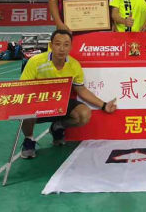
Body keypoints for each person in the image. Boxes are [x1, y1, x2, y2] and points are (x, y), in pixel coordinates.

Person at [19, 29, 118, 159]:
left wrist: (104, 105)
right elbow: (24, 89)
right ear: (51, 45)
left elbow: (81, 90)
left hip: (61, 104)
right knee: (25, 109)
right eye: (57, 44)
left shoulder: (74, 65)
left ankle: (57, 127)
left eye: (66, 45)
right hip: (39, 103)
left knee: (84, 114)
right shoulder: (35, 62)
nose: (62, 49)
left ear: (71, 47)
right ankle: (29, 139)